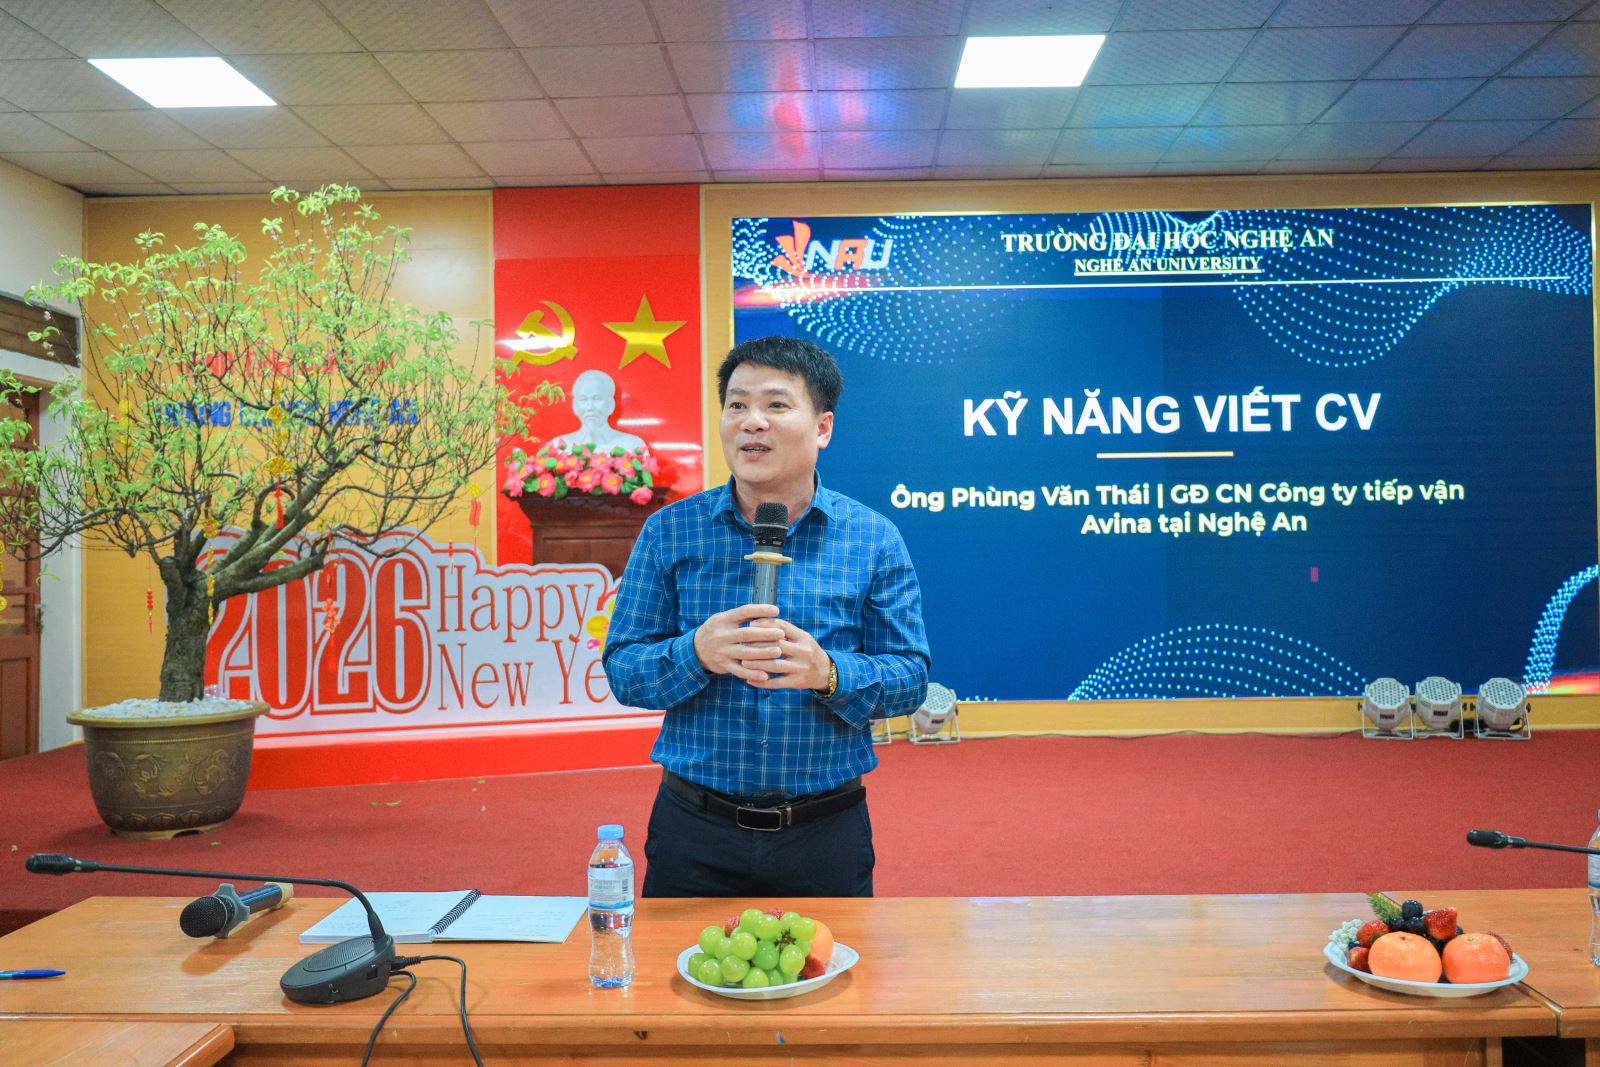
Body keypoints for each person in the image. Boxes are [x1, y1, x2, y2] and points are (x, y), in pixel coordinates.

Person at [602, 335, 930, 898]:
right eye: (737, 404)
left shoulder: (873, 538)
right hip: (693, 830)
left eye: (776, 404)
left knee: (830, 959)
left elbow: (911, 678)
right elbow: (624, 669)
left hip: (824, 832)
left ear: (822, 428)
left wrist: (829, 673)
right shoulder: (670, 530)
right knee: (677, 960)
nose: (752, 421)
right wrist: (696, 653)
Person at [550, 369, 646, 453]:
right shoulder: (557, 446)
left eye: (597, 399)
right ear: (575, 405)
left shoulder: (633, 446)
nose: (590, 407)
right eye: (583, 399)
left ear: (610, 404)